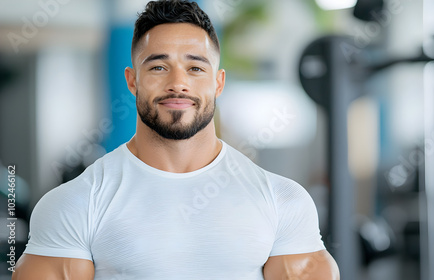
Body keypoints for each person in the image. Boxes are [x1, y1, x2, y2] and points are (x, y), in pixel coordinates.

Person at [12, 0, 340, 279]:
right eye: (158, 67)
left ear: (218, 82)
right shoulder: (75, 204)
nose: (178, 83)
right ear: (132, 80)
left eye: (196, 68)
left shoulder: (283, 202)